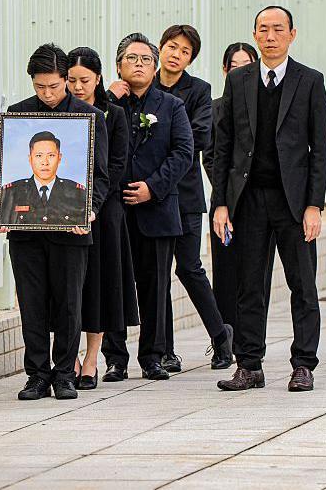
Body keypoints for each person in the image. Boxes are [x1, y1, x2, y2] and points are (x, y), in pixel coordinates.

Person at [212, 6, 326, 392]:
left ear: (292, 34)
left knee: (303, 283)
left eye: (278, 29)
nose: (270, 36)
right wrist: (221, 203)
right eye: (263, 29)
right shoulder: (240, 80)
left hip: (293, 202)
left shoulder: (310, 81)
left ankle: (303, 364)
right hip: (249, 199)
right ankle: (249, 364)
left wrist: (314, 205)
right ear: (255, 33)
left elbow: (319, 149)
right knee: (249, 285)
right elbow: (224, 143)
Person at [4, 43, 108, 401]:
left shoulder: (89, 117)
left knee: (68, 303)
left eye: (53, 86)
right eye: (39, 87)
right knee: (32, 303)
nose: (47, 94)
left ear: (67, 79)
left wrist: (90, 208)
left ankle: (65, 373)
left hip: (72, 227)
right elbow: (6, 174)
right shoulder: (18, 116)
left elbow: (102, 176)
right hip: (26, 233)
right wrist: (4, 211)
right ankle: (36, 374)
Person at [101, 33, 193, 383]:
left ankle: (153, 356)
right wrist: (107, 98)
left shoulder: (171, 106)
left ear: (155, 68)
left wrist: (152, 188)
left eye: (145, 59)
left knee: (155, 287)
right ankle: (115, 358)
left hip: (156, 210)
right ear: (119, 66)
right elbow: (94, 144)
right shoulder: (107, 106)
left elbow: (183, 152)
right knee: (114, 284)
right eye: (131, 58)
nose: (138, 64)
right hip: (116, 212)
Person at [153, 25, 233, 372]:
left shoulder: (199, 91)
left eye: (184, 51)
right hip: (150, 194)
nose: (176, 54)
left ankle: (220, 336)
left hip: (184, 194)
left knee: (188, 267)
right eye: (172, 47)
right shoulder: (142, 83)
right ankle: (165, 350)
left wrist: (158, 140)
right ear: (161, 48)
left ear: (190, 59)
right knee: (157, 273)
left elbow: (199, 137)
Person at [66, 46, 136, 390]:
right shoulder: (59, 113)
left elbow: (118, 164)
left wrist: (93, 203)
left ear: (98, 78)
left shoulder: (114, 114)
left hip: (103, 212)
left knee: (98, 285)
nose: (78, 87)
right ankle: (69, 358)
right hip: (65, 208)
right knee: (67, 286)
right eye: (72, 80)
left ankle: (92, 358)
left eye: (85, 80)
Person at [203, 43, 266, 335]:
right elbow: (212, 155)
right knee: (226, 271)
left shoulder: (264, 103)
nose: (240, 71)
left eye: (246, 65)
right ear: (226, 71)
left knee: (256, 272)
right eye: (234, 66)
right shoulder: (217, 107)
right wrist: (226, 194)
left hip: (259, 201)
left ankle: (252, 335)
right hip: (226, 202)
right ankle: (225, 336)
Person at [0, 131, 89, 225]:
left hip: (64, 239)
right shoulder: (11, 192)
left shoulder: (77, 192)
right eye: (39, 155)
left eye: (51, 155)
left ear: (59, 158)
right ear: (30, 159)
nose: (45, 162)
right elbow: (4, 219)